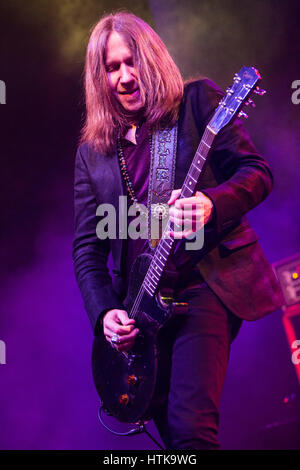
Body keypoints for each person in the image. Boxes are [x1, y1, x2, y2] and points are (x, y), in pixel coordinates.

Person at [72, 11, 283, 450]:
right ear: (99, 77)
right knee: (171, 434)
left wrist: (211, 203)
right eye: (112, 68)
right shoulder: (92, 154)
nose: (125, 77)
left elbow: (257, 172)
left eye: (132, 62)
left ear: (150, 59)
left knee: (190, 431)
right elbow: (88, 250)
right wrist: (104, 314)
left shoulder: (195, 102)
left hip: (204, 283)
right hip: (141, 308)